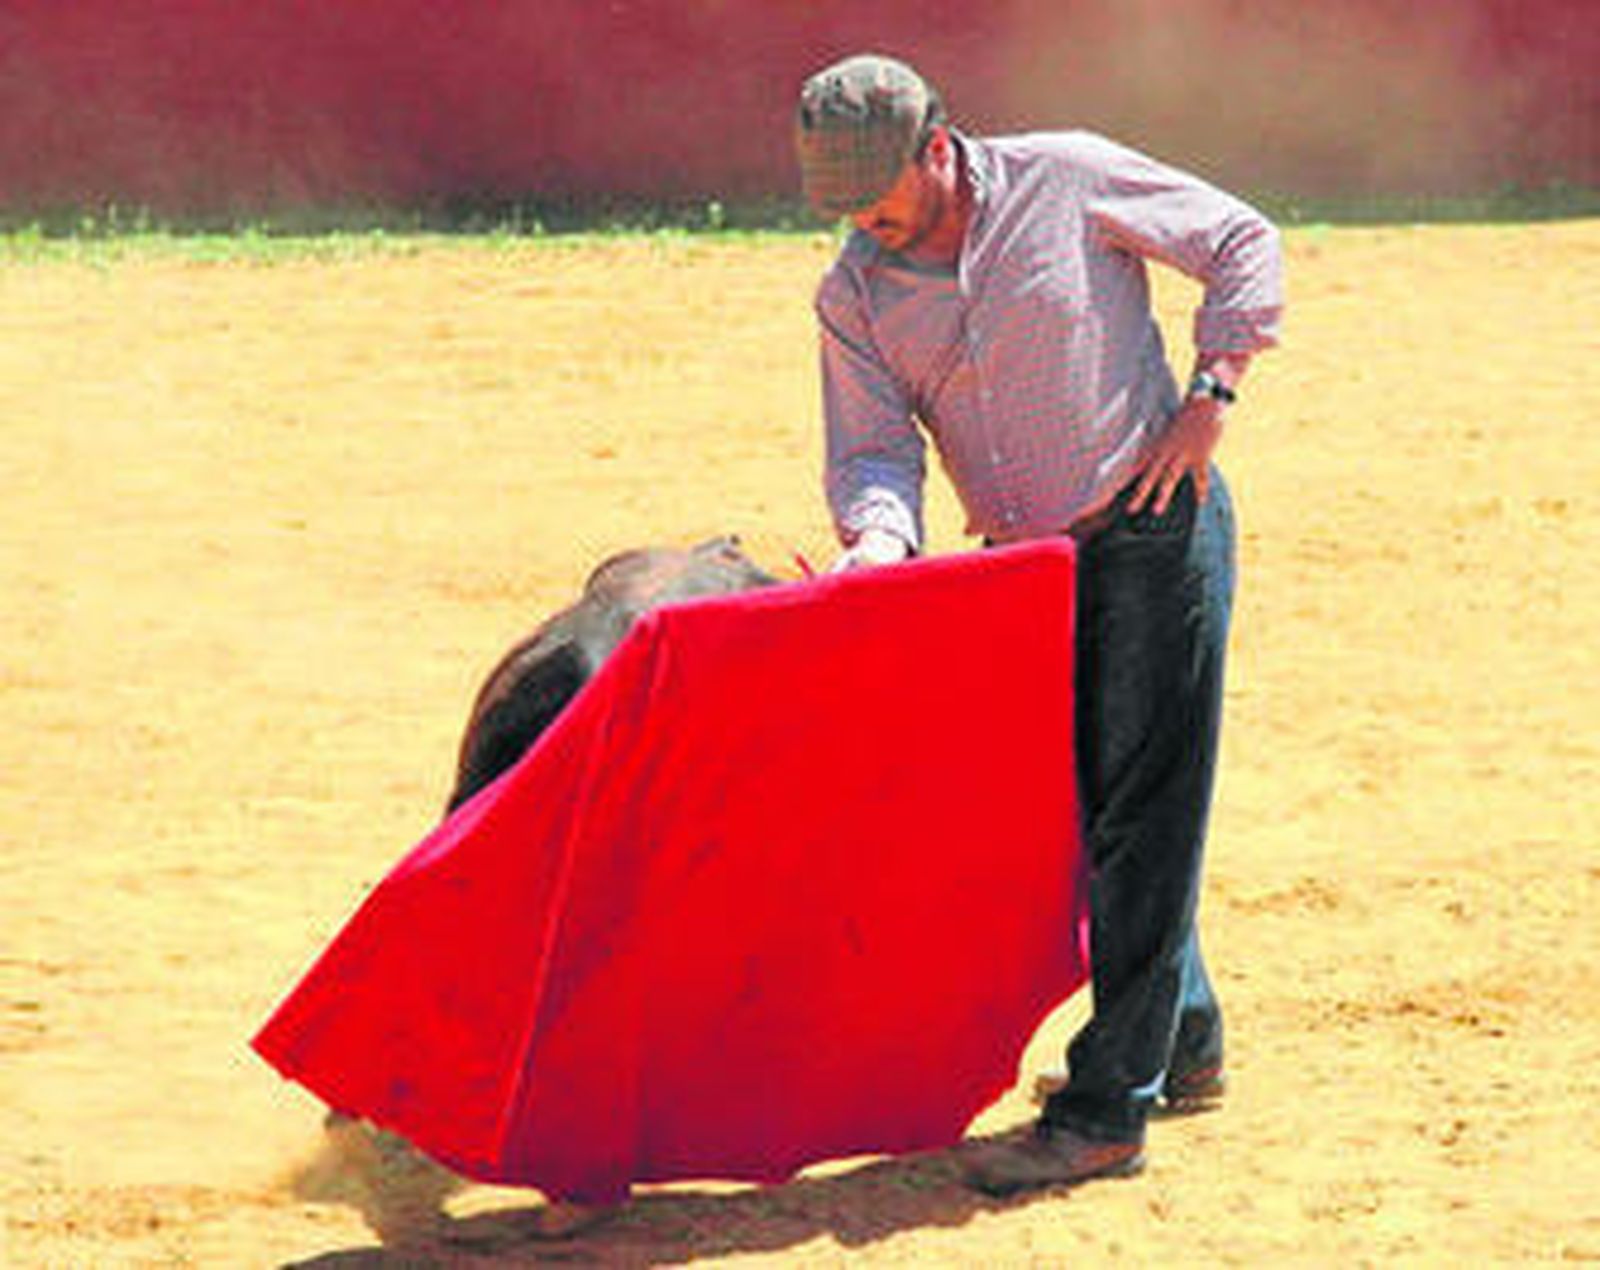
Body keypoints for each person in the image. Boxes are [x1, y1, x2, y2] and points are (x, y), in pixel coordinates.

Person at [793, 53, 1283, 1193]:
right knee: (1083, 811)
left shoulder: (1064, 179)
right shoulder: (855, 291)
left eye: (880, 197)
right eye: (845, 207)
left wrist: (1210, 399)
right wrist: (878, 545)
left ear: (936, 147)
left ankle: (1109, 1108)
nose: (866, 224)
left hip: (1154, 518)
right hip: (1025, 569)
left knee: (1143, 812)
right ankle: (1184, 1037)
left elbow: (1242, 240)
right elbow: (873, 451)